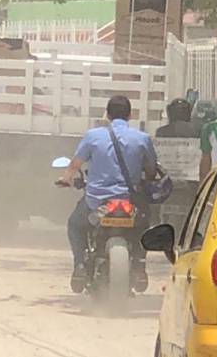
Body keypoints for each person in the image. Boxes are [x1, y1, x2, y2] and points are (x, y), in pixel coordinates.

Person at [59, 95, 158, 293]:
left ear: (107, 114)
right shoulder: (142, 138)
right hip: (130, 202)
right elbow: (151, 171)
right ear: (130, 115)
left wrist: (66, 179)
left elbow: (74, 165)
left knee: (75, 225)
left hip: (97, 202)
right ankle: (139, 266)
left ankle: (79, 266)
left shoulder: (93, 136)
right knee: (145, 225)